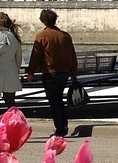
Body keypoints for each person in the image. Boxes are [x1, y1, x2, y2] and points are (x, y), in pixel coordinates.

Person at [26, 8, 79, 138]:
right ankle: (64, 124)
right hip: (65, 72)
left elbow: (36, 56)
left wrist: (30, 73)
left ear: (43, 21)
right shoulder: (65, 36)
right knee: (60, 99)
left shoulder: (42, 36)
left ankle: (60, 128)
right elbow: (72, 56)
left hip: (50, 73)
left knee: (54, 101)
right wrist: (73, 73)